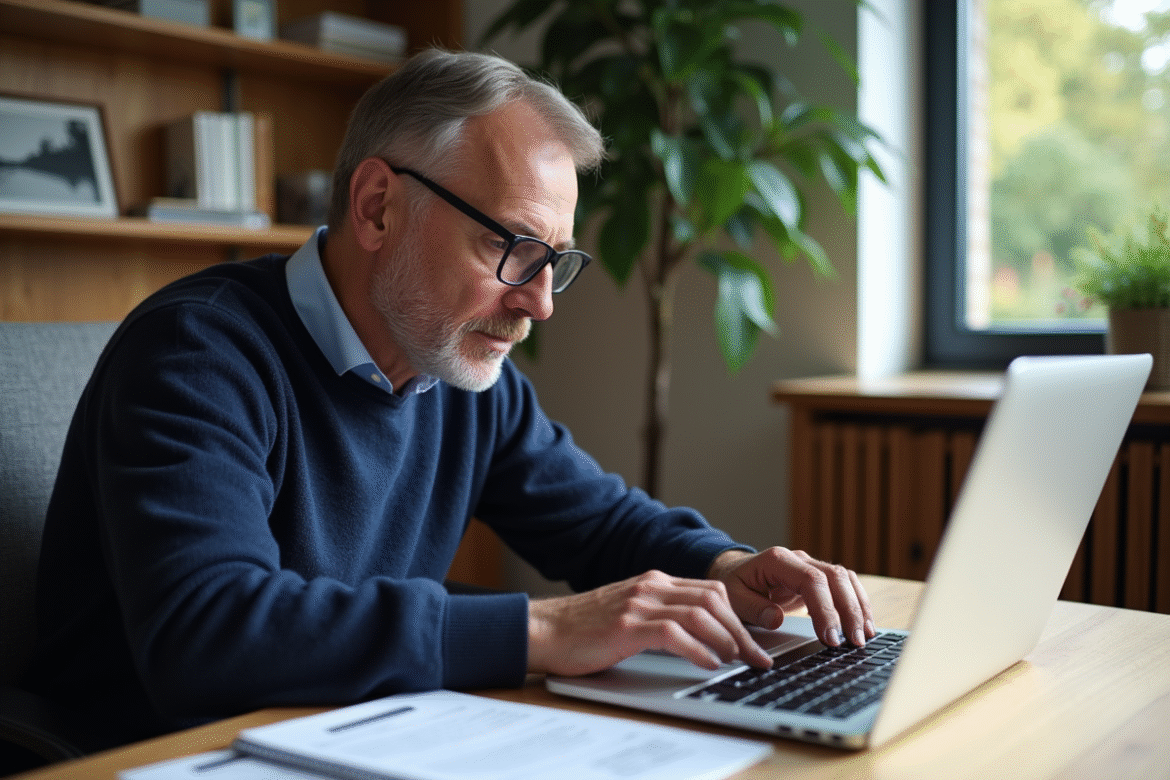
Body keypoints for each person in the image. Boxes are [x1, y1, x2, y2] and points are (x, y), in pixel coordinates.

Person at [25, 49, 874, 746]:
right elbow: (207, 634)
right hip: (160, 752)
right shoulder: (197, 352)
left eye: (556, 262)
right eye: (511, 247)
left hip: (345, 732)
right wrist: (546, 631)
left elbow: (600, 523)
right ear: (378, 206)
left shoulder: (457, 368)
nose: (539, 302)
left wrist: (726, 568)